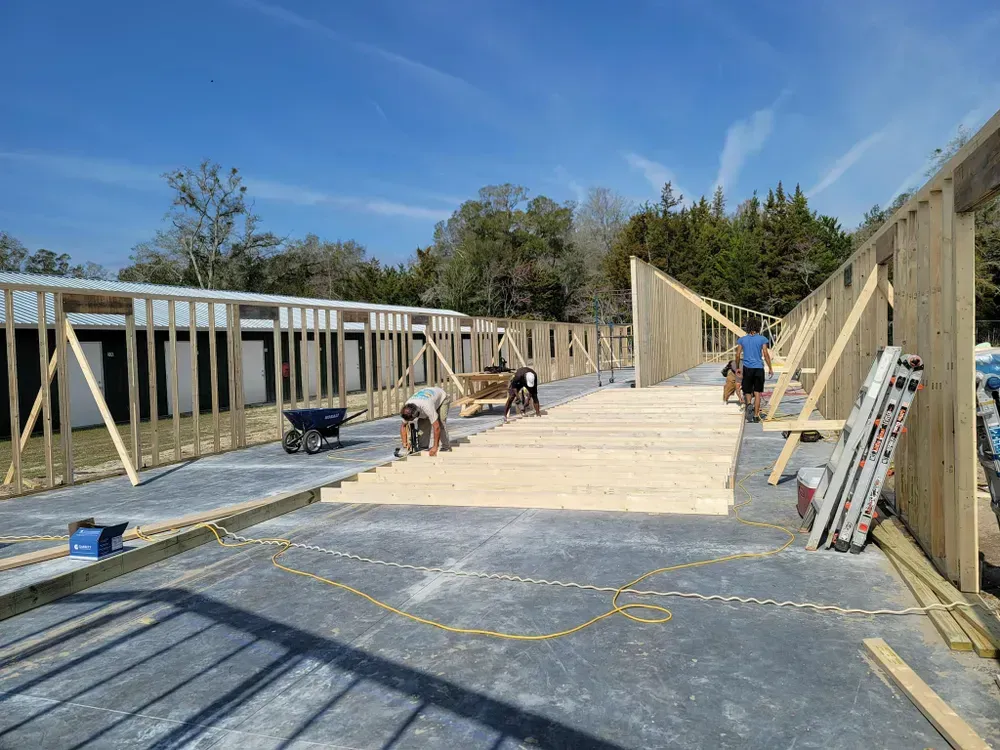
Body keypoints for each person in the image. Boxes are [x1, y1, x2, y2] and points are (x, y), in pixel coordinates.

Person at [735, 318, 773, 423]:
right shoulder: (762, 339)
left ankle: (749, 404)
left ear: (748, 327)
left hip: (747, 368)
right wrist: (770, 368)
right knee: (757, 393)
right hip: (759, 368)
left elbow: (737, 354)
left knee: (747, 390)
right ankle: (756, 416)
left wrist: (737, 367)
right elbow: (765, 354)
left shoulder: (742, 340)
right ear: (758, 327)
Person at [400, 386, 451, 456]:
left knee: (441, 422)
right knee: (423, 426)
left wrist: (435, 446)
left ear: (415, 414)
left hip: (442, 398)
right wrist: (404, 444)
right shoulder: (406, 409)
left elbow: (436, 427)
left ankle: (446, 447)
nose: (411, 421)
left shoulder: (427, 407)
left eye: (412, 419)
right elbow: (403, 426)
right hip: (428, 398)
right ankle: (422, 448)